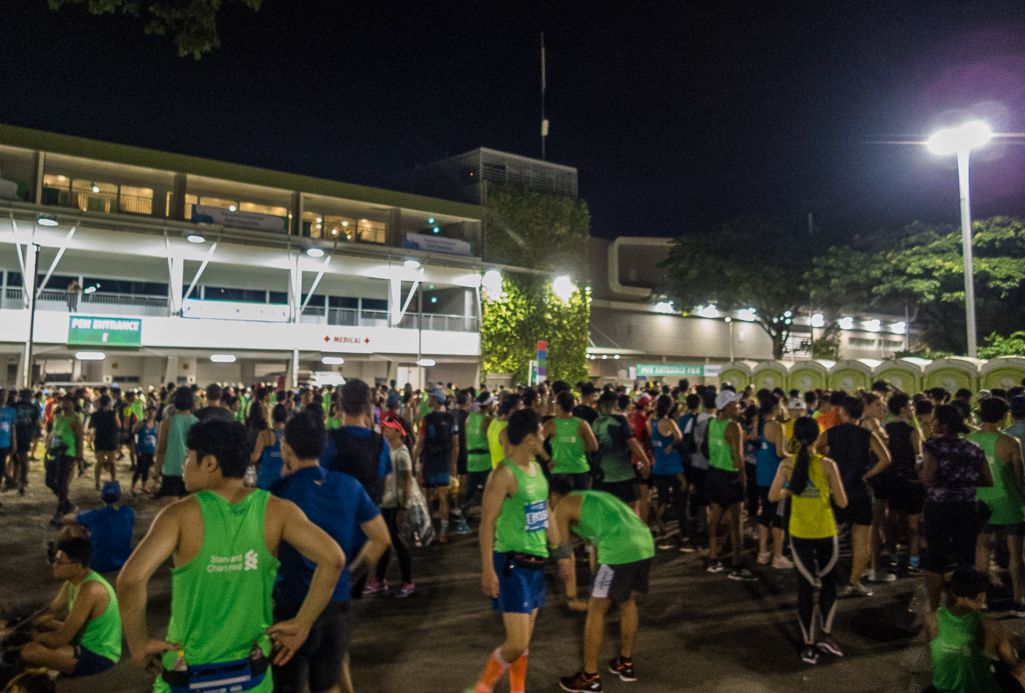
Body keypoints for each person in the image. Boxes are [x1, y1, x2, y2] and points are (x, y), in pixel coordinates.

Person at [117, 419, 345, 693]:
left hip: (187, 673)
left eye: (189, 458)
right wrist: (302, 624)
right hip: (252, 673)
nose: (183, 466)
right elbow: (333, 559)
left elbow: (130, 579)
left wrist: (138, 644)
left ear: (210, 463)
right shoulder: (277, 510)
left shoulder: (177, 516)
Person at [270, 412, 391, 693]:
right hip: (336, 604)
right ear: (323, 446)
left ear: (286, 448)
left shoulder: (278, 492)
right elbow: (381, 539)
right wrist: (351, 574)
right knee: (328, 684)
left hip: (293, 603)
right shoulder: (349, 485)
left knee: (289, 685)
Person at [469, 409, 549, 693]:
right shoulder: (502, 473)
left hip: (537, 565)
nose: (544, 438)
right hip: (511, 565)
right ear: (529, 438)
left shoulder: (538, 470)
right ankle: (483, 686)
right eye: (541, 433)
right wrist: (488, 569)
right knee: (517, 642)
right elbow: (486, 522)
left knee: (524, 641)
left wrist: (563, 552)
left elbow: (544, 511)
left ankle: (518, 690)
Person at [549, 477, 655, 692]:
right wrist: (597, 582)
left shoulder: (561, 507)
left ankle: (590, 677)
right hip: (644, 544)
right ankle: (625, 664)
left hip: (618, 548)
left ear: (552, 496)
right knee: (627, 602)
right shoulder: (592, 498)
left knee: (596, 609)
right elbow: (594, 546)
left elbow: (565, 554)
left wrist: (571, 597)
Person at [769, 417, 848, 664]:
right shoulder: (828, 465)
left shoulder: (787, 465)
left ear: (793, 439)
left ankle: (807, 644)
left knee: (805, 589)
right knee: (828, 583)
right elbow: (843, 502)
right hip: (825, 531)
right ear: (817, 438)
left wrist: (791, 490)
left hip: (799, 532)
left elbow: (772, 496)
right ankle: (825, 634)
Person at [815, 395, 891, 596]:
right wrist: (867, 474)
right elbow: (885, 459)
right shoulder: (867, 435)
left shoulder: (831, 433)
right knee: (861, 540)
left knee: (831, 536)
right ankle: (855, 583)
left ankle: (822, 575)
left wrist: (826, 469)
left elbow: (814, 451)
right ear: (861, 414)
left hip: (837, 490)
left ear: (843, 412)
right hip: (860, 491)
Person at [920, 404, 993, 612]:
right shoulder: (974, 449)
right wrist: (965, 482)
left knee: (936, 559)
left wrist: (922, 474)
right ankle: (962, 607)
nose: (933, 423)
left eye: (935, 420)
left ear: (944, 424)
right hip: (967, 506)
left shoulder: (933, 446)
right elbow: (987, 480)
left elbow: (928, 477)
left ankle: (934, 610)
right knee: (965, 558)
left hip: (938, 506)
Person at [20, 537, 121, 677]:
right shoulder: (74, 580)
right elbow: (53, 611)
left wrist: (31, 636)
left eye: (59, 562)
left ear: (77, 566)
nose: (54, 565)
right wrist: (24, 626)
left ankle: (55, 667)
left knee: (29, 651)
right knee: (43, 622)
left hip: (99, 655)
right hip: (83, 638)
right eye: (55, 560)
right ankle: (55, 662)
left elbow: (60, 639)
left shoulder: (91, 590)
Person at [926, 567, 1024, 693]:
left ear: (953, 592)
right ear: (981, 596)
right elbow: (1012, 661)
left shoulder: (932, 619)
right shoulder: (991, 626)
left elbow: (934, 656)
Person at [971, 396, 1025, 615]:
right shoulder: (1010, 443)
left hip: (982, 502)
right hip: (1009, 502)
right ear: (1004, 416)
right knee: (1016, 555)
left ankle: (980, 600)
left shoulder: (969, 439)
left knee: (982, 549)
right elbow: (1019, 480)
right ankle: (1018, 601)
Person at [705, 390, 756, 581]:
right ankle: (736, 567)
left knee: (715, 518)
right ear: (726, 407)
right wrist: (743, 480)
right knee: (737, 525)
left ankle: (713, 559)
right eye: (735, 404)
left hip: (714, 473)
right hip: (730, 477)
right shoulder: (733, 427)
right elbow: (738, 458)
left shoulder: (712, 423)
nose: (739, 407)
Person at [320, 379, 391, 506]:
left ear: (340, 404)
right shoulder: (381, 444)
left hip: (338, 516)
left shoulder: (329, 440)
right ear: (368, 405)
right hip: (371, 519)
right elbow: (383, 486)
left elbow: (321, 480)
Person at [367, 419, 415, 598]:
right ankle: (379, 580)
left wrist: (404, 508)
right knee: (384, 542)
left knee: (398, 544)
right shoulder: (387, 450)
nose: (385, 430)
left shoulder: (402, 454)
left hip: (395, 505)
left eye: (389, 428)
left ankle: (408, 581)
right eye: (385, 427)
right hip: (385, 503)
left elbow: (407, 482)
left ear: (399, 432)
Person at [884, 392, 926, 574]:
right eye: (910, 406)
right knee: (913, 526)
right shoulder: (913, 432)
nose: (913, 409)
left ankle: (893, 558)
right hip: (911, 482)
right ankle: (913, 564)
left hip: (892, 480)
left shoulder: (885, 430)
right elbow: (919, 459)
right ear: (903, 409)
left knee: (892, 522)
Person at [412, 388, 459, 543]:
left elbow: (420, 443)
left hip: (429, 461)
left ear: (435, 400)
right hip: (444, 461)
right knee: (443, 496)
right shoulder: (452, 419)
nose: (428, 400)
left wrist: (412, 460)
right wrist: (453, 464)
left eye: (430, 397)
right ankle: (443, 533)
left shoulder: (427, 419)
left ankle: (430, 530)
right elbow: (456, 444)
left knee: (427, 496)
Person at [647, 394, 693, 552]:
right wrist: (672, 446)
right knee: (681, 503)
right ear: (670, 407)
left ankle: (664, 538)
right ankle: (685, 539)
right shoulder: (669, 422)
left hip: (658, 468)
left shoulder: (651, 422)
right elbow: (679, 436)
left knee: (662, 502)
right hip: (674, 468)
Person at [591, 391, 650, 509]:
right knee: (632, 508)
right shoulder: (619, 419)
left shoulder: (595, 423)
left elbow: (592, 447)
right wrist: (646, 462)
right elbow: (632, 442)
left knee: (608, 510)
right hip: (624, 474)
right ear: (616, 404)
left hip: (604, 476)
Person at [62, 481, 134, 574]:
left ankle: (67, 556)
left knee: (72, 525)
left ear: (101, 497)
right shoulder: (129, 511)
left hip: (97, 566)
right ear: (120, 496)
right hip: (123, 563)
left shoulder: (94, 515)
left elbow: (66, 519)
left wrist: (76, 513)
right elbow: (113, 513)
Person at [755, 394, 792, 568]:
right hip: (776, 478)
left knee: (765, 515)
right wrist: (795, 456)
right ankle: (778, 556)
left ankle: (762, 553)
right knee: (778, 516)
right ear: (776, 408)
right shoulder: (777, 426)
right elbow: (780, 453)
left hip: (762, 476)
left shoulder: (759, 423)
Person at [544, 391, 599, 491]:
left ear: (559, 406)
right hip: (580, 471)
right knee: (580, 505)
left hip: (559, 471)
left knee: (560, 505)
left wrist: (548, 459)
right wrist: (577, 446)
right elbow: (594, 446)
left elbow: (537, 443)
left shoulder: (550, 424)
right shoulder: (582, 424)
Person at [154, 387, 197, 500]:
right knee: (188, 511)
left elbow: (161, 450)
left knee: (172, 512)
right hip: (190, 471)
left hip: (171, 470)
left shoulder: (167, 423)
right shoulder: (196, 422)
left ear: (175, 400)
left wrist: (156, 473)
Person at [47, 394, 83, 525]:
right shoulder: (57, 415)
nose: (64, 403)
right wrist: (48, 450)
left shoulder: (76, 419)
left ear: (73, 403)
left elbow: (80, 439)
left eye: (67, 401)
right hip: (54, 451)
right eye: (63, 401)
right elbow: (53, 433)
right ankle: (67, 504)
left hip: (67, 452)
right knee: (49, 481)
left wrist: (78, 457)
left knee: (62, 481)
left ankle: (60, 511)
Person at [461, 393, 496, 525]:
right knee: (487, 490)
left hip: (471, 458)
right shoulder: (488, 420)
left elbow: (465, 438)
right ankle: (487, 516)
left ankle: (464, 514)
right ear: (488, 405)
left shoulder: (469, 418)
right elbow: (491, 440)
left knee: (470, 489)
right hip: (484, 459)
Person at [89, 395, 120, 491]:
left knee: (99, 462)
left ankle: (97, 483)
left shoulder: (95, 414)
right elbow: (118, 425)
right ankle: (113, 481)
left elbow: (91, 426)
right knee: (112, 462)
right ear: (109, 403)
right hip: (111, 438)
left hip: (100, 439)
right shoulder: (113, 413)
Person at [13, 390, 41, 497]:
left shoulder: (14, 406)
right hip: (24, 435)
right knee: (22, 459)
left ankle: (19, 481)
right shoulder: (33, 408)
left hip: (18, 435)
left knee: (18, 459)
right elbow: (35, 424)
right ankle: (21, 480)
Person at [252, 404, 287, 490]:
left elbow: (254, 457)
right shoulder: (290, 435)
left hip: (264, 481)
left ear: (272, 416)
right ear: (286, 417)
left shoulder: (265, 434)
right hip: (283, 481)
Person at [131, 405, 158, 495]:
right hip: (141, 450)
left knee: (147, 468)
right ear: (146, 413)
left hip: (150, 450)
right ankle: (133, 486)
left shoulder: (156, 424)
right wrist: (135, 447)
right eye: (149, 412)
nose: (151, 414)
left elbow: (156, 437)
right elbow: (135, 434)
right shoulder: (141, 423)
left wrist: (156, 450)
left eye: (153, 412)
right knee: (139, 468)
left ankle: (144, 486)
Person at [0, 390, 17, 498]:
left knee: (0, 469)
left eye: (5, 395)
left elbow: (13, 428)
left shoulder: (11, 411)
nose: (3, 397)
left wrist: (14, 442)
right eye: (1, 395)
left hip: (4, 444)